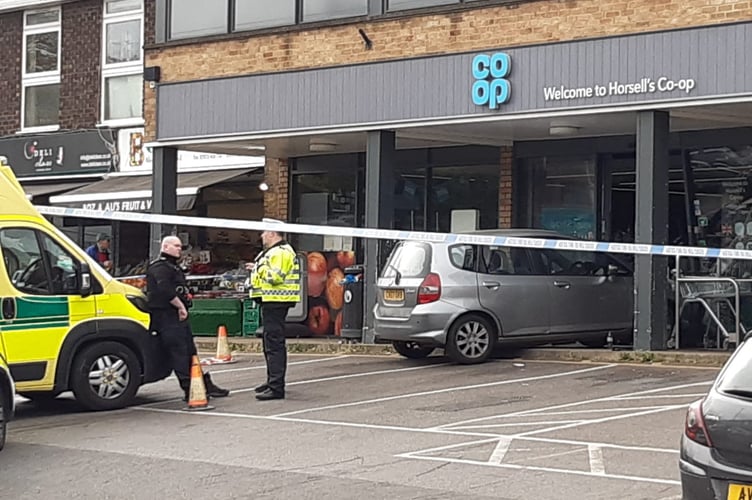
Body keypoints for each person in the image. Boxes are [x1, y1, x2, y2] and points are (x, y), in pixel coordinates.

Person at [146, 236, 229, 401]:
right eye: (176, 246)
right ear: (166, 247)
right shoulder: (160, 267)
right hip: (167, 316)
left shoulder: (172, 267)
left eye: (180, 246)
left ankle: (202, 384)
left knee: (190, 351)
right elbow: (165, 290)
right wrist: (180, 306)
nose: (180, 249)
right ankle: (189, 388)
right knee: (179, 353)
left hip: (177, 317)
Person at [247, 221, 301, 401]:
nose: (261, 236)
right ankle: (272, 381)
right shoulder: (275, 252)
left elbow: (275, 277)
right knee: (269, 342)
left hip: (277, 300)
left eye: (264, 232)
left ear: (272, 233)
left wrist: (258, 268)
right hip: (271, 301)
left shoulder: (280, 252)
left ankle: (276, 386)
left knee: (274, 344)